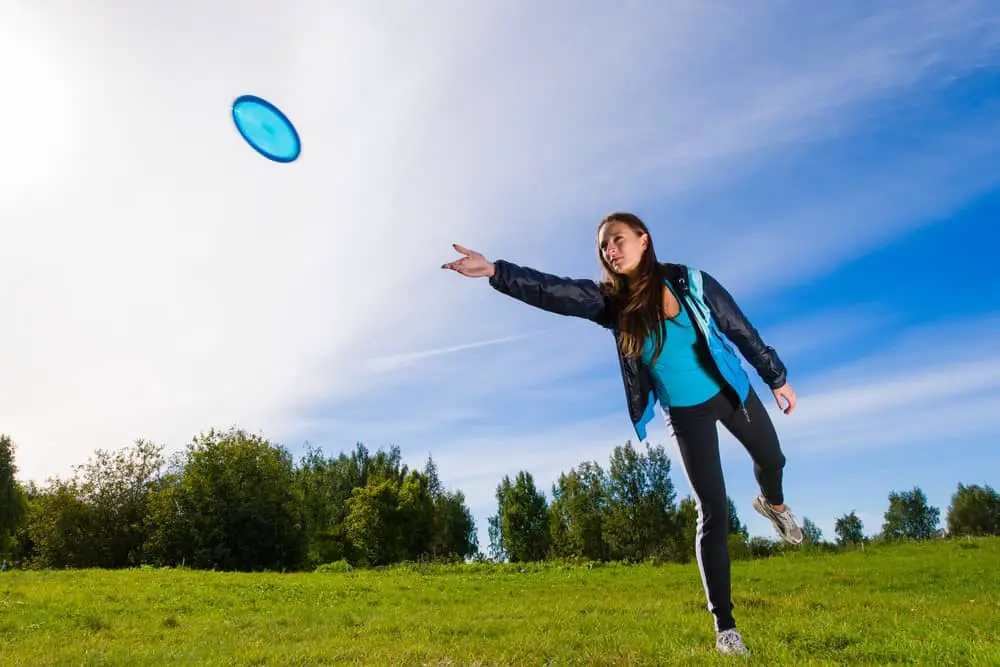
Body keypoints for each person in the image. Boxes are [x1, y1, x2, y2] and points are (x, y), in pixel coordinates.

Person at [442, 211, 804, 656]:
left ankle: (775, 504)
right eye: (603, 248)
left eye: (616, 240)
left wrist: (776, 377)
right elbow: (552, 291)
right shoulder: (610, 304)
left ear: (643, 240)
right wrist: (497, 271)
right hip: (686, 414)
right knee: (713, 512)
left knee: (773, 460)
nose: (610, 251)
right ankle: (726, 629)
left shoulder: (692, 282)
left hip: (732, 391)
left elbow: (739, 327)